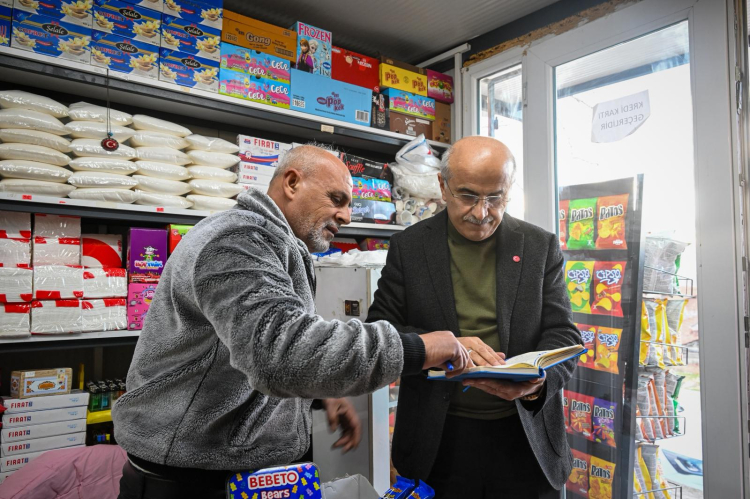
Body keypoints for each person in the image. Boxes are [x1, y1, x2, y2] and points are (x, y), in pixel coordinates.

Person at [113, 145, 471, 499]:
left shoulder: (276, 244)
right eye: (337, 199)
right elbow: (278, 354)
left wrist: (318, 395)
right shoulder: (238, 240)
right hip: (190, 482)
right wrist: (420, 347)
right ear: (292, 183)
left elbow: (251, 349)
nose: (347, 216)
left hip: (231, 471)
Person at [367, 136, 583, 498]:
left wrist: (538, 385)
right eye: (468, 196)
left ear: (509, 189)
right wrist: (441, 346)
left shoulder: (539, 246)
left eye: (495, 198)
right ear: (443, 186)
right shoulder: (410, 247)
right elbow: (380, 330)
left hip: (525, 438)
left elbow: (563, 333)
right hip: (439, 439)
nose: (482, 213)